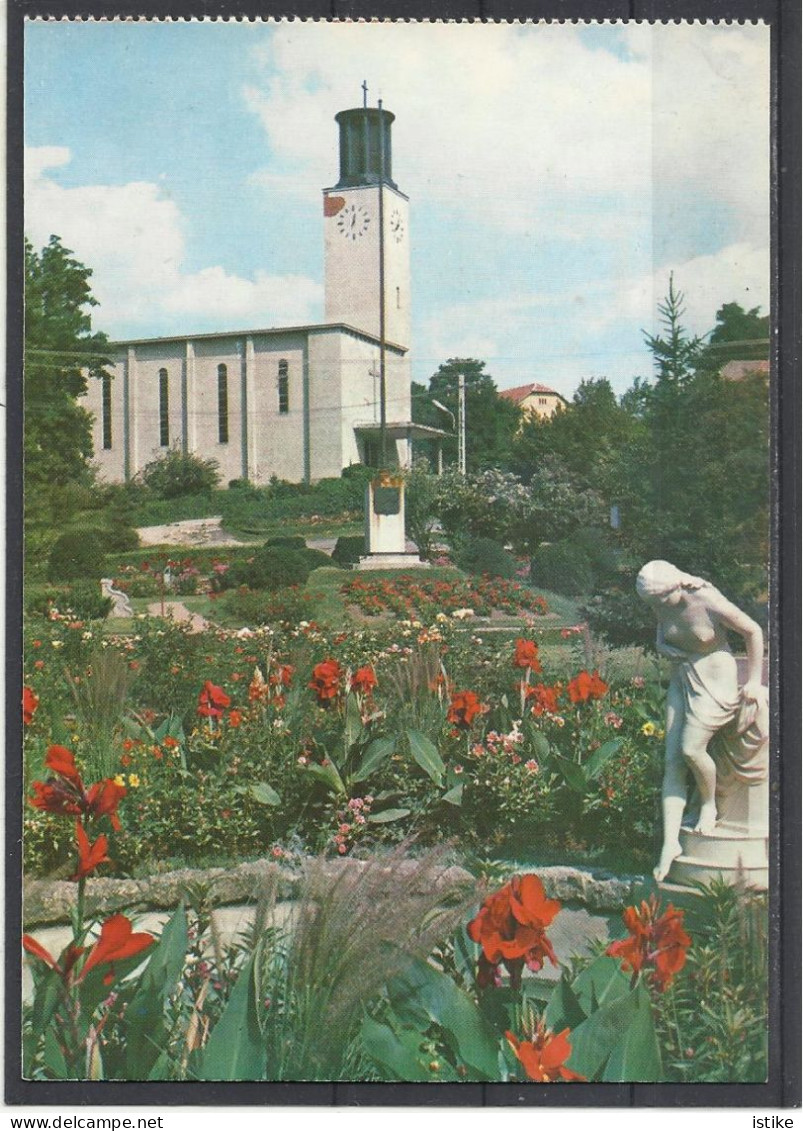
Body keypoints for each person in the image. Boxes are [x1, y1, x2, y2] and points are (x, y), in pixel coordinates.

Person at [635, 561, 765, 882]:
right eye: (654, 604)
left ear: (676, 585)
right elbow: (662, 633)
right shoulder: (659, 601)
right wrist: (663, 647)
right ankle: (670, 844)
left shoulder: (706, 598)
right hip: (683, 676)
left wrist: (754, 680)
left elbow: (753, 630)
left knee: (692, 749)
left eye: (663, 600)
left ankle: (709, 805)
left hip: (716, 675)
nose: (660, 608)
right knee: (674, 759)